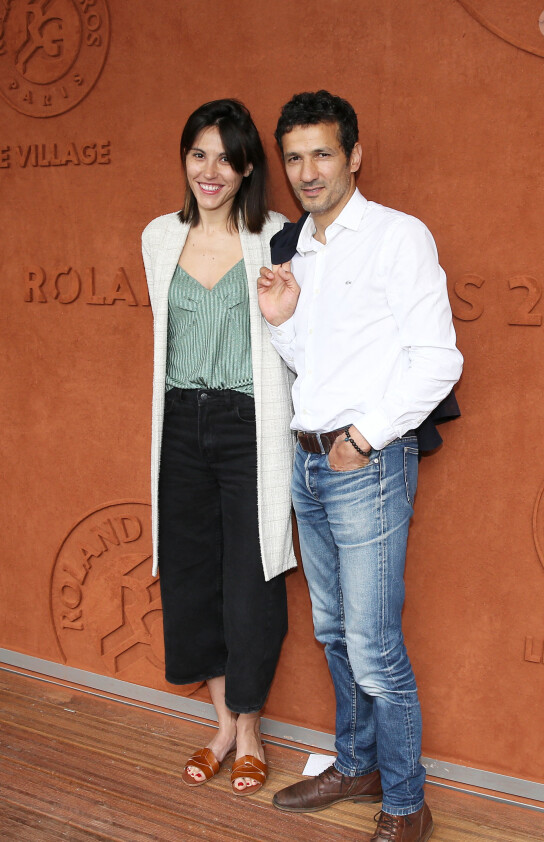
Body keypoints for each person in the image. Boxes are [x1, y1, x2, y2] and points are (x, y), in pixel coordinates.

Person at [258, 90, 463, 841]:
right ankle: (356, 764)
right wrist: (282, 323)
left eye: (322, 153)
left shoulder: (397, 237)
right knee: (334, 632)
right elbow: (315, 365)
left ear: (354, 156)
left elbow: (438, 359)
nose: (307, 171)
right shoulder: (297, 248)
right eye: (294, 157)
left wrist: (365, 439)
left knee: (374, 650)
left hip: (365, 465)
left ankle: (406, 804)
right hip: (309, 461)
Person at [141, 99, 296, 796]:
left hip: (248, 424)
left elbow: (294, 338)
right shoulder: (158, 238)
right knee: (191, 575)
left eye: (227, 159)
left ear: (247, 169)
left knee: (253, 577)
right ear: (185, 160)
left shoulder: (278, 237)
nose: (211, 171)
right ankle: (223, 727)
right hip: (179, 424)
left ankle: (250, 730)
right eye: (199, 154)